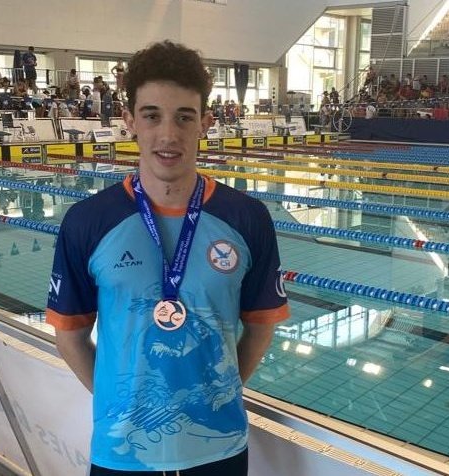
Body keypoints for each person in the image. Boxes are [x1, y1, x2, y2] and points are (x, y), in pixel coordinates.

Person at [46, 40, 289, 476]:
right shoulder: (89, 221)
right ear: (129, 121)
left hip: (220, 449)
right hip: (122, 454)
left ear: (205, 123)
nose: (168, 135)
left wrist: (217, 392)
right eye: (152, 115)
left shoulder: (246, 218)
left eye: (184, 117)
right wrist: (119, 404)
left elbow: (260, 327)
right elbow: (70, 337)